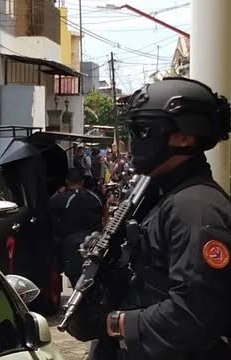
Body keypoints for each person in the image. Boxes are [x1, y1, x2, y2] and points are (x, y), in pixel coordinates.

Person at [66, 77, 231, 360]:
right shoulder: (159, 196)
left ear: (184, 136)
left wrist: (112, 323)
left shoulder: (196, 207)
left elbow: (194, 314)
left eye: (143, 130)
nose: (134, 141)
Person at [49, 168, 104, 285]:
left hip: (71, 247)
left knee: (75, 278)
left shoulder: (59, 199)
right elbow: (104, 218)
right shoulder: (95, 197)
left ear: (67, 182)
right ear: (82, 181)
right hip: (95, 244)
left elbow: (52, 220)